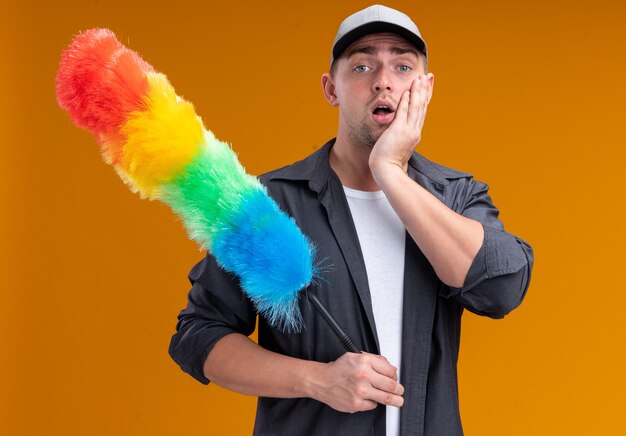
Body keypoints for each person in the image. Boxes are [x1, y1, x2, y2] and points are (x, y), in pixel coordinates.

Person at [168, 4, 533, 435]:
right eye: (361, 66)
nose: (383, 81)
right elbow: (197, 337)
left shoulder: (455, 197)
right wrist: (318, 380)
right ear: (331, 88)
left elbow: (501, 288)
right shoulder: (267, 204)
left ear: (425, 88)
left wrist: (390, 173)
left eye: (402, 66)